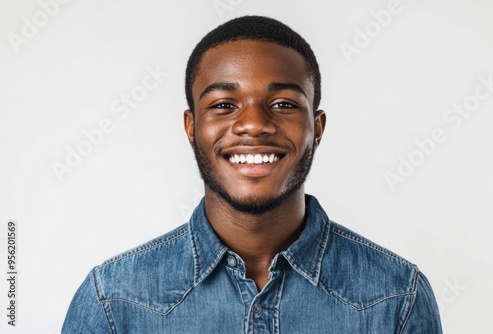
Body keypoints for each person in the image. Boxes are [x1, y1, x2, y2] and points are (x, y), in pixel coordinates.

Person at [62, 15, 442, 333]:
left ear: (318, 127)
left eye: (283, 104)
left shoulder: (397, 296)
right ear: (192, 128)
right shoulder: (113, 301)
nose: (254, 124)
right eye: (225, 104)